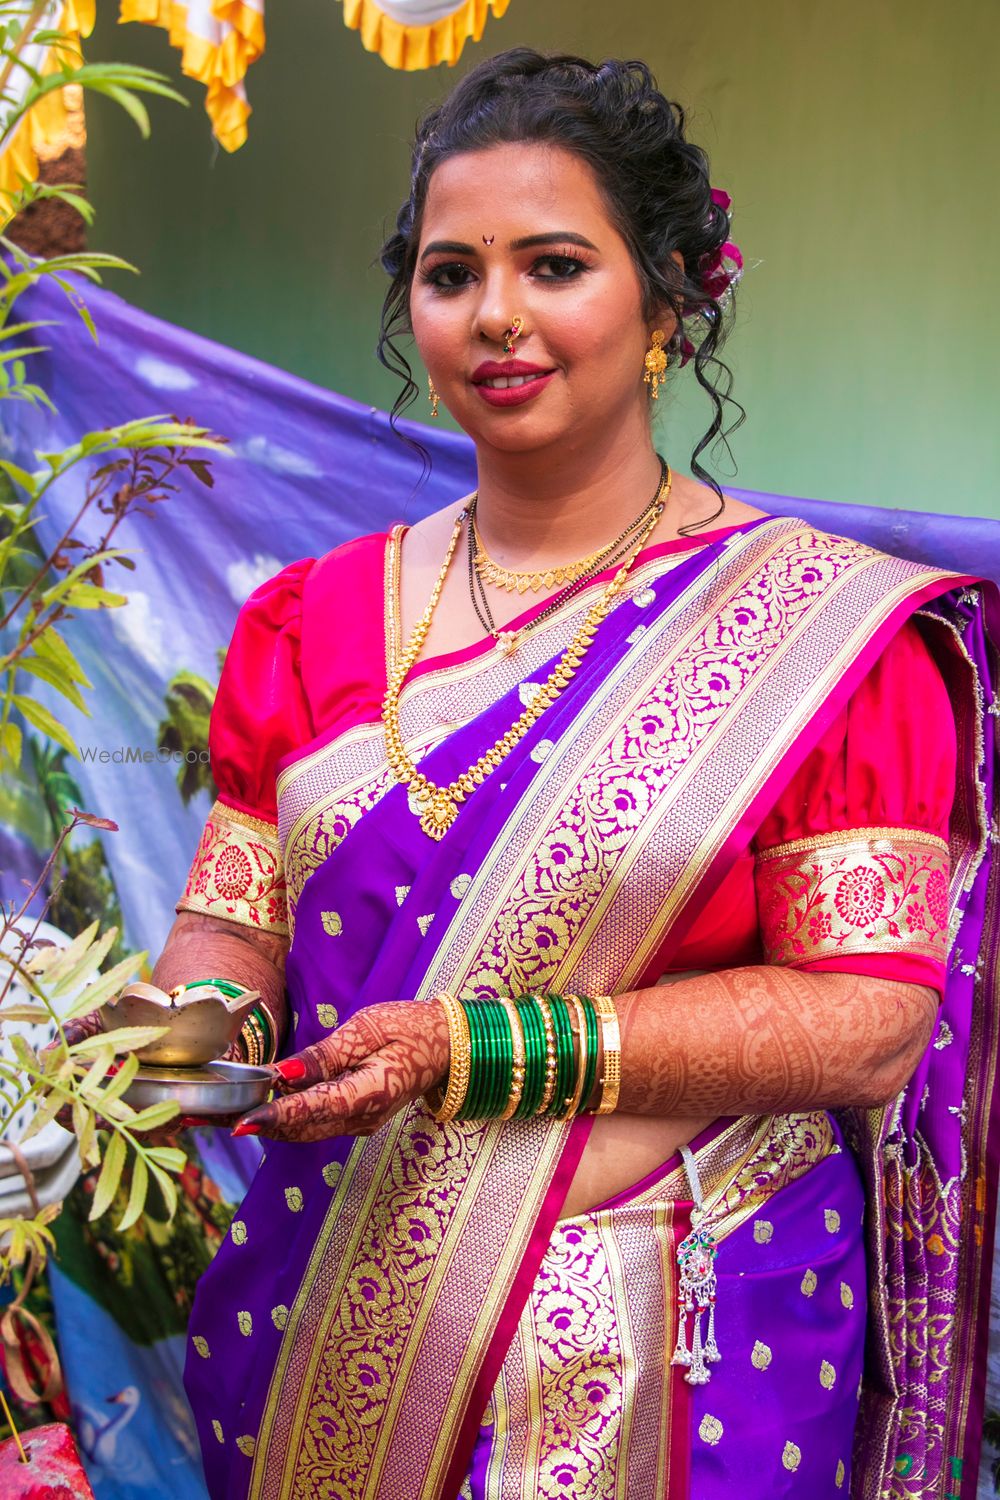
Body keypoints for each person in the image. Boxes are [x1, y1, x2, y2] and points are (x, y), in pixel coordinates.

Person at [116, 50, 997, 1500]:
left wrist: (479, 1053)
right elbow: (229, 945)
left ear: (666, 298)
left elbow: (867, 1025)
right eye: (453, 272)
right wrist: (131, 1068)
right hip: (325, 1324)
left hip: (684, 1354)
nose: (498, 315)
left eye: (555, 264)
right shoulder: (309, 625)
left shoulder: (824, 640)